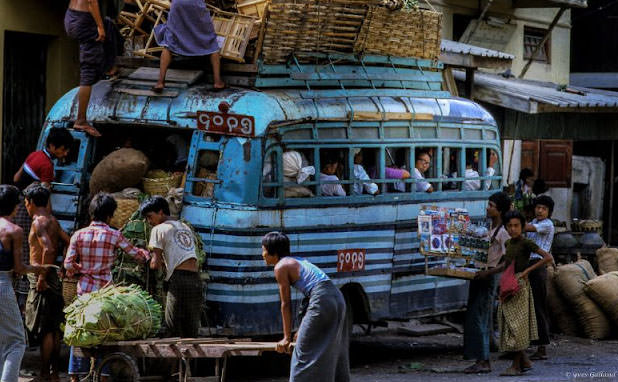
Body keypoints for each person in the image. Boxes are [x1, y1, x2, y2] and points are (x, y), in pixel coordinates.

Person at [64, 192, 150, 382]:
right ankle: (103, 375)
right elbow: (136, 254)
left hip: (83, 294)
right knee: (105, 334)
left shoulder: (78, 235)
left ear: (91, 213)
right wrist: (147, 254)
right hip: (105, 295)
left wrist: (80, 269)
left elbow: (68, 265)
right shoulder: (113, 234)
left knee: (79, 332)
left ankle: (75, 376)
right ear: (110, 215)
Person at [261, 232, 350, 382]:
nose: (262, 254)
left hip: (322, 298)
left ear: (273, 251)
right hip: (337, 298)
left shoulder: (280, 266)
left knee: (302, 353)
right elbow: (310, 299)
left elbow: (285, 304)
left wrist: (286, 338)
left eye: (263, 249)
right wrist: (300, 328)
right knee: (333, 348)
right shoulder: (297, 260)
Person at [496, 210, 553, 376]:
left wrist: (527, 270)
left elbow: (547, 257)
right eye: (510, 226)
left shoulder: (526, 243)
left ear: (522, 227)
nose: (513, 229)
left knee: (516, 326)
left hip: (519, 287)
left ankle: (515, 365)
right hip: (508, 285)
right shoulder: (509, 244)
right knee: (508, 323)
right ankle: (524, 360)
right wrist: (489, 272)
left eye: (516, 226)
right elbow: (506, 265)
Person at [23, 185, 71, 382]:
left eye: (26, 202)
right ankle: (53, 373)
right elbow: (68, 241)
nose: (25, 206)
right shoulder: (53, 220)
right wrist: (65, 264)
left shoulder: (38, 222)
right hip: (52, 274)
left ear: (32, 202)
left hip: (43, 277)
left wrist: (42, 277)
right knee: (54, 325)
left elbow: (49, 248)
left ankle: (45, 373)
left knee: (45, 329)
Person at [0, 185, 47, 382]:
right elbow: (19, 268)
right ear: (15, 206)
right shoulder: (14, 230)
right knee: (17, 341)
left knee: (2, 339)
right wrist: (38, 269)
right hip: (2, 283)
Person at [140, 196, 203, 338]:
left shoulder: (158, 229)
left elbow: (155, 264)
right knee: (191, 331)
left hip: (178, 280)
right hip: (195, 280)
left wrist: (146, 258)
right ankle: (188, 360)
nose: (149, 222)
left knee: (172, 327)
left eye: (150, 217)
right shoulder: (184, 226)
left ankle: (174, 360)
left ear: (161, 212)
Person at [463, 192, 511, 374]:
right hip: (480, 274)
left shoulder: (504, 231)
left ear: (499, 210)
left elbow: (508, 260)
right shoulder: (492, 228)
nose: (487, 208)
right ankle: (478, 359)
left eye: (491, 205)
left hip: (488, 277)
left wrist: (489, 272)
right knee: (474, 316)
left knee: (480, 317)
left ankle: (483, 361)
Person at [64, 0, 124, 137]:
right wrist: (99, 27)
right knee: (88, 71)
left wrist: (103, 25)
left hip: (72, 15)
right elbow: (92, 1)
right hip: (84, 20)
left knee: (108, 24)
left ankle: (110, 67)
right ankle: (81, 119)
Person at [152, 0, 225, 93]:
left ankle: (160, 82)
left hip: (178, 4)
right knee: (210, 40)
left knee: (169, 43)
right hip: (195, 5)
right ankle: (218, 82)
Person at [524, 195, 555, 361]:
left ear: (549, 212)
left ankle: (542, 347)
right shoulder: (535, 222)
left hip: (538, 267)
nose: (540, 210)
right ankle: (528, 344)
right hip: (529, 266)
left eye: (544, 208)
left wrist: (512, 221)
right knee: (529, 306)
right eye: (538, 207)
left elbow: (527, 229)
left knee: (538, 306)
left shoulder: (547, 225)